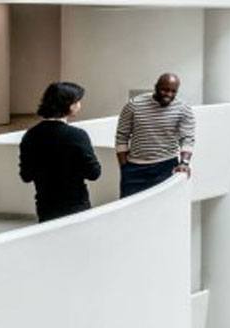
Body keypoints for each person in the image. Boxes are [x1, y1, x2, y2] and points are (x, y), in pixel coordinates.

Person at [18, 82, 101, 223]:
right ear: (69, 105)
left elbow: (26, 175)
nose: (80, 105)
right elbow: (94, 173)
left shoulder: (31, 135)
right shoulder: (77, 135)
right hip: (75, 205)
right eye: (78, 101)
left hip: (45, 206)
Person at [115, 73, 195, 198]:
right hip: (135, 168)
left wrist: (184, 163)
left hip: (167, 166)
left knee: (164, 210)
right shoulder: (134, 105)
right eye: (165, 90)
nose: (169, 94)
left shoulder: (183, 109)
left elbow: (187, 138)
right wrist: (124, 167)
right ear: (156, 87)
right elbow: (122, 136)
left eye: (173, 91)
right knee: (131, 212)